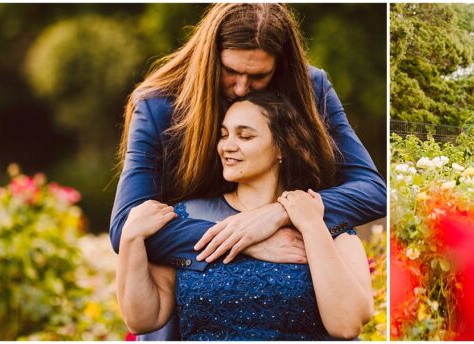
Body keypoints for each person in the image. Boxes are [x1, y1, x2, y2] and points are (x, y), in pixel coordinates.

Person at [108, 3, 385, 338]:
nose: (241, 87)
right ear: (212, 56)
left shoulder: (311, 89)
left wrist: (278, 214)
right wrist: (244, 241)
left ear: (280, 67)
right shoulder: (157, 105)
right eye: (230, 71)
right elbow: (126, 225)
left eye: (258, 76)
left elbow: (372, 190)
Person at [116, 91, 374, 340]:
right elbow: (144, 320)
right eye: (224, 135)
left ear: (283, 147)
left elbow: (347, 325)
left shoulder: (324, 220)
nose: (227, 147)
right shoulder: (185, 216)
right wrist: (131, 238)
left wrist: (311, 224)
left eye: (245, 136)